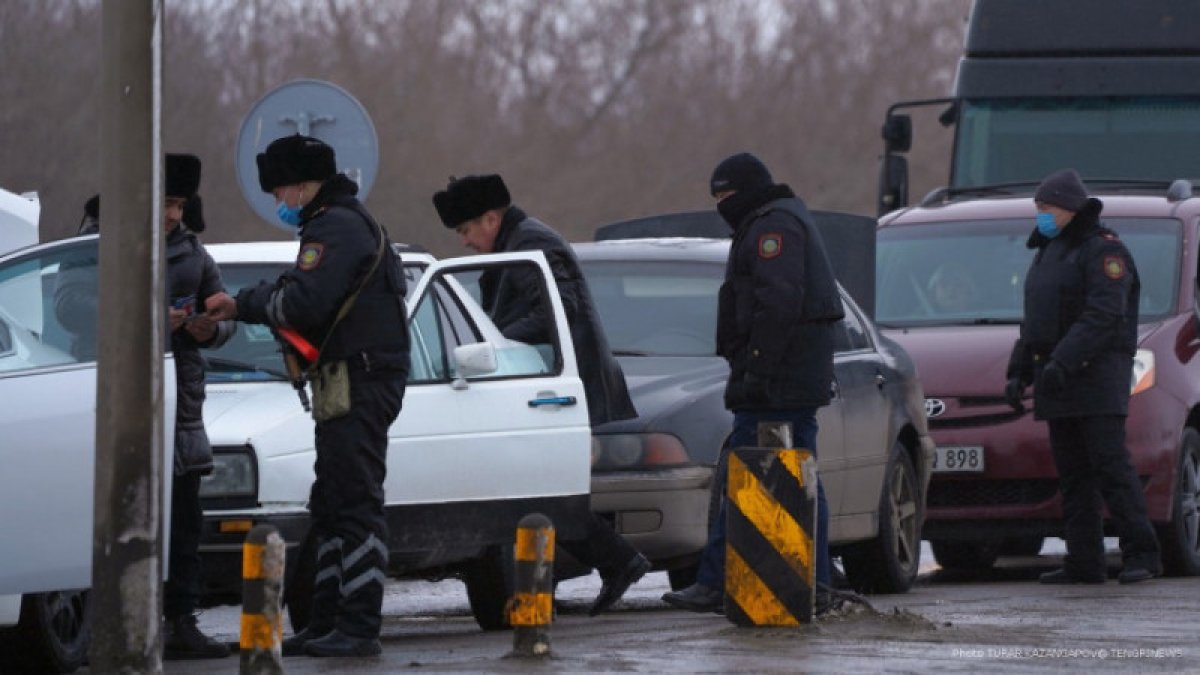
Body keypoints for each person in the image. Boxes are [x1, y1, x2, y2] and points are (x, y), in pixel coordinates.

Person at [206, 134, 410, 657]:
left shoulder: (336, 226)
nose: (280, 201)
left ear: (302, 185)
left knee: (356, 499)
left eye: (281, 190)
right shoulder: (336, 223)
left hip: (360, 379)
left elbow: (304, 300)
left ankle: (359, 627)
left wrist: (244, 304)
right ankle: (325, 622)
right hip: (349, 378)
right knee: (332, 500)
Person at [432, 173, 651, 616]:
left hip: (562, 389)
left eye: (466, 230)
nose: (466, 241)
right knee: (538, 492)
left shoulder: (532, 245)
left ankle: (607, 566)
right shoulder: (518, 243)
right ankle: (614, 564)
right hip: (548, 385)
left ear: (491, 218)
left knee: (541, 494)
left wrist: (496, 344)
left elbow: (557, 309)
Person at [663, 152, 844, 614]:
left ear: (746, 192)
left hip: (776, 382)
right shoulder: (776, 219)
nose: (722, 206)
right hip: (790, 376)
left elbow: (778, 301)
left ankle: (719, 580)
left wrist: (757, 370)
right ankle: (815, 580)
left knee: (747, 476)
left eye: (726, 196)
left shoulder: (772, 227)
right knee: (799, 477)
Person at [1005, 168, 1161, 585]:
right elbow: (1036, 322)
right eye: (1037, 208)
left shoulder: (1104, 252)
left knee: (1111, 468)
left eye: (1047, 208)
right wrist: (1019, 370)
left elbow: (1104, 317)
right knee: (1073, 475)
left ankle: (1141, 553)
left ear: (1070, 209)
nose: (1040, 216)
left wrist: (1064, 361)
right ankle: (1084, 561)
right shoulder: (1049, 251)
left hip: (1096, 378)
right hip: (1059, 380)